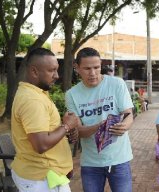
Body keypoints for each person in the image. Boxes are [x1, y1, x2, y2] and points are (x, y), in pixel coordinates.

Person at [65, 47, 134, 192]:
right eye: (87, 68)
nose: (93, 73)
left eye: (96, 67)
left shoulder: (117, 84)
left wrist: (124, 126)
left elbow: (128, 114)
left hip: (119, 159)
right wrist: (99, 126)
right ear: (77, 68)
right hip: (91, 162)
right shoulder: (72, 94)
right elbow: (79, 132)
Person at [11, 48, 80, 192]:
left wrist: (64, 130)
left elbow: (44, 131)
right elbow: (41, 144)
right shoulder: (33, 100)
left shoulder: (37, 92)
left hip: (46, 175)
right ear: (34, 71)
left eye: (57, 70)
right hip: (42, 178)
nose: (56, 75)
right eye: (51, 71)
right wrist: (67, 126)